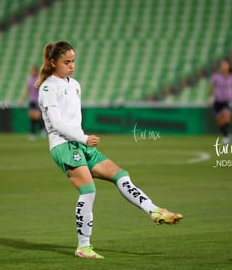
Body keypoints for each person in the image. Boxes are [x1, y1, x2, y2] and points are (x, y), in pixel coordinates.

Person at [36, 41, 183, 259]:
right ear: (53, 62)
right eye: (66, 62)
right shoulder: (48, 87)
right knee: (88, 190)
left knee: (120, 175)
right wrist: (84, 138)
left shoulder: (74, 84)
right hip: (63, 145)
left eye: (73, 61)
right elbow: (56, 123)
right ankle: (83, 246)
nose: (72, 65)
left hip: (78, 142)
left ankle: (154, 210)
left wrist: (82, 138)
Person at [208, 59, 232, 144]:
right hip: (218, 101)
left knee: (226, 117)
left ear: (229, 66)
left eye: (225, 64)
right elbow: (211, 87)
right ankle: (226, 135)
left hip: (228, 101)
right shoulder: (216, 76)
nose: (223, 66)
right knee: (219, 121)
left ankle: (227, 136)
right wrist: (209, 97)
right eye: (222, 65)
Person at [21, 66, 44, 140]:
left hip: (38, 101)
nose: (32, 72)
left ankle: (42, 130)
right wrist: (22, 100)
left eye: (33, 70)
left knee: (38, 117)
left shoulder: (39, 79)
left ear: (36, 71)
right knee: (32, 117)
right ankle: (32, 133)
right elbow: (27, 90)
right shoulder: (30, 80)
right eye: (31, 71)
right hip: (32, 101)